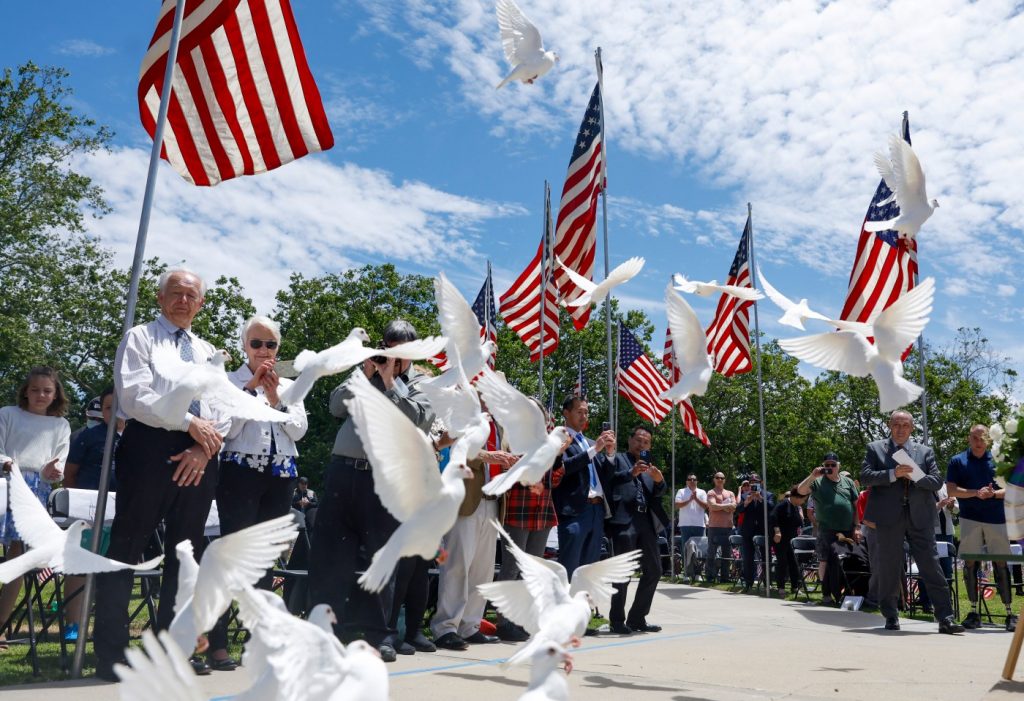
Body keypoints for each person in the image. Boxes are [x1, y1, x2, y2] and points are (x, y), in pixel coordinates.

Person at [94, 269, 231, 680]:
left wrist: (202, 449)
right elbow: (135, 396)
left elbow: (222, 408)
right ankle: (113, 655)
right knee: (127, 548)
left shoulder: (208, 351)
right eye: (176, 293)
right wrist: (189, 424)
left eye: (191, 295)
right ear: (160, 297)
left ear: (201, 303)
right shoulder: (140, 338)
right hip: (150, 448)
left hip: (200, 455)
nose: (183, 300)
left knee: (185, 555)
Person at [308, 319, 434, 662]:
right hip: (342, 473)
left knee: (381, 559)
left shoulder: (420, 384)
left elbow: (420, 419)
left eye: (402, 352)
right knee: (331, 558)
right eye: (389, 348)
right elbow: (335, 406)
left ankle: (380, 636)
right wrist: (366, 373)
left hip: (384, 481)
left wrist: (392, 382)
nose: (393, 357)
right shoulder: (362, 374)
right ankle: (326, 632)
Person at [204, 315, 309, 669]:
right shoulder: (228, 381)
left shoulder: (291, 384)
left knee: (265, 561)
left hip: (281, 474)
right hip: (239, 472)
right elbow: (225, 429)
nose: (264, 351)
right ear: (244, 346)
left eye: (271, 344)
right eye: (256, 343)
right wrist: (250, 389)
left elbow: (298, 431)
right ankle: (216, 643)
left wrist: (277, 396)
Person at [861, 410, 963, 634]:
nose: (900, 429)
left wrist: (915, 476)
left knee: (931, 566)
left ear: (912, 428)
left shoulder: (925, 451)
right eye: (896, 424)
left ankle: (945, 617)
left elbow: (936, 482)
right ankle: (890, 615)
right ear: (889, 425)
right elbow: (866, 476)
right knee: (889, 567)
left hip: (921, 516)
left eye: (904, 425)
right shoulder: (875, 448)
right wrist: (893, 473)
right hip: (888, 517)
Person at [0, 367, 72, 646]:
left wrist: (53, 472)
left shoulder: (60, 425)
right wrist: (8, 463)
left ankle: (2, 625)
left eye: (47, 390)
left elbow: (59, 465)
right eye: (35, 390)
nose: (40, 395)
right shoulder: (7, 414)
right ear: (25, 391)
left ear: (56, 395)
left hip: (35, 492)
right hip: (6, 482)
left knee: (18, 558)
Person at [430, 414, 514, 651]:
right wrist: (490, 457)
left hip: (493, 501)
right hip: (466, 501)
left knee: (483, 570)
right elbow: (458, 452)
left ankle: (470, 626)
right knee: (457, 565)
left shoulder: (501, 425)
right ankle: (445, 628)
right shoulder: (466, 417)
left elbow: (504, 455)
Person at [62, 386, 124, 642]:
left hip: (123, 512)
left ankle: (108, 627)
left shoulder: (138, 438)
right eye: (108, 407)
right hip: (88, 511)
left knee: (113, 570)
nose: (113, 412)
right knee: (79, 568)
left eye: (118, 406)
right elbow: (70, 474)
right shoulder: (87, 437)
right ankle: (73, 625)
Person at [496, 400, 558, 643]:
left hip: (542, 508)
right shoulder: (512, 437)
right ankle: (503, 621)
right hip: (517, 507)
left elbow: (557, 478)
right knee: (512, 566)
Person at [946, 424, 1016, 632]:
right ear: (969, 438)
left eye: (982, 438)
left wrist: (993, 494)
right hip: (969, 519)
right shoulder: (958, 461)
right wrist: (976, 492)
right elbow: (951, 490)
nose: (979, 442)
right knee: (969, 564)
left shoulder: (999, 459)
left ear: (988, 440)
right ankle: (974, 612)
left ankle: (1010, 613)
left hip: (997, 518)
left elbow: (1013, 489)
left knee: (1001, 564)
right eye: (975, 438)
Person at [604, 426, 668, 634]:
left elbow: (657, 494)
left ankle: (637, 618)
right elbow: (610, 479)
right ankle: (617, 620)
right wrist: (631, 473)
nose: (642, 445)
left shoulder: (650, 468)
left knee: (655, 569)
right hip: (624, 521)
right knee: (623, 572)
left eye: (646, 442)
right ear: (630, 440)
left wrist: (659, 481)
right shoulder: (618, 459)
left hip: (645, 520)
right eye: (638, 440)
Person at [550, 396, 615, 578]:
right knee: (569, 570)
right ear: (566, 413)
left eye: (586, 412)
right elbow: (563, 468)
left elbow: (606, 476)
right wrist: (595, 450)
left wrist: (609, 454)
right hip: (574, 512)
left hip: (597, 510)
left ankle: (584, 606)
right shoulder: (558, 438)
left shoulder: (589, 442)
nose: (584, 416)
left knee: (588, 573)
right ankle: (564, 606)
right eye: (579, 411)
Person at [796, 452, 860, 602]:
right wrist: (813, 475)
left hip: (847, 529)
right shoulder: (817, 482)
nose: (830, 467)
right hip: (827, 530)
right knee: (827, 561)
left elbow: (856, 506)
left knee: (847, 561)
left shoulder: (848, 482)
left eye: (833, 465)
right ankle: (826, 594)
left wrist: (857, 526)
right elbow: (800, 491)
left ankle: (845, 593)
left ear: (838, 466)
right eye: (827, 465)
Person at [736, 473, 775, 592]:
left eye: (756, 482)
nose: (753, 484)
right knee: (748, 557)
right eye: (751, 482)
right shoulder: (744, 495)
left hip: (763, 530)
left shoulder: (768, 495)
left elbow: (772, 508)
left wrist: (761, 499)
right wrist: (746, 502)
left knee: (766, 557)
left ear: (761, 483)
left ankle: (767, 582)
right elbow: (738, 510)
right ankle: (748, 583)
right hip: (748, 530)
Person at [771, 487, 807, 597]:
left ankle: (795, 587)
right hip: (781, 539)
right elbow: (772, 517)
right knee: (782, 563)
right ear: (796, 497)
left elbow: (799, 522)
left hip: (792, 540)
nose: (803, 501)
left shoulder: (796, 507)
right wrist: (777, 531)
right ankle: (781, 587)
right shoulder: (782, 505)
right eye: (802, 499)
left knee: (793, 563)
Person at [705, 472, 736, 583]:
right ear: (714, 479)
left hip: (728, 527)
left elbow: (734, 506)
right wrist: (726, 506)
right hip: (714, 526)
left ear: (724, 480)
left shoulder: (730, 493)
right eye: (717, 477)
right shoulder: (711, 492)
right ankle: (710, 576)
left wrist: (720, 506)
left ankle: (725, 577)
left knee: (726, 553)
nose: (720, 479)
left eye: (722, 478)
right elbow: (712, 506)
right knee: (711, 553)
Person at [675, 473, 707, 556]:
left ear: (697, 481)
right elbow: (677, 505)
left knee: (699, 550)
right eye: (689, 479)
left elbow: (706, 506)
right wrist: (689, 500)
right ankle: (686, 569)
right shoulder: (681, 491)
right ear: (686, 482)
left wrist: (696, 499)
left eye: (694, 479)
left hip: (699, 525)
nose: (692, 481)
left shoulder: (702, 492)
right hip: (685, 525)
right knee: (685, 549)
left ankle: (698, 569)